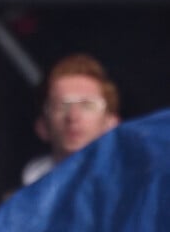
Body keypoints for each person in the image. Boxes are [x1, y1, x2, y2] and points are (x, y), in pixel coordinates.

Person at [22, 53, 120, 185]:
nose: (73, 117)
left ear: (111, 124)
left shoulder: (133, 184)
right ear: (42, 127)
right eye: (61, 106)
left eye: (88, 105)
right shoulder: (26, 191)